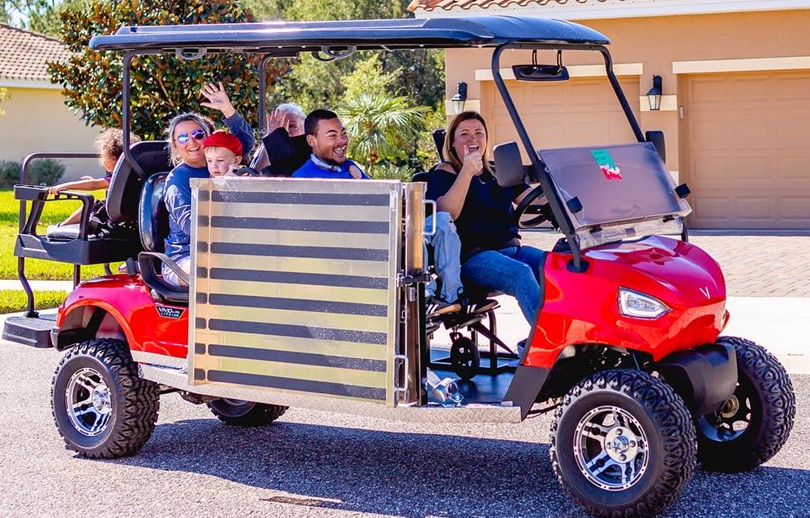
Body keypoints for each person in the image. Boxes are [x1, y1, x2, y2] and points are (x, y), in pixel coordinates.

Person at [426, 111, 543, 339]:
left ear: (486, 139)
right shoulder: (444, 173)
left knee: (556, 267)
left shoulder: (498, 172)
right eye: (464, 134)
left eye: (478, 133)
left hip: (512, 250)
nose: (472, 139)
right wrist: (467, 171)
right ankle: (548, 344)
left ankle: (582, 339)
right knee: (521, 274)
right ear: (452, 142)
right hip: (473, 258)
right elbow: (445, 213)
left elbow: (533, 201)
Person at [162, 82, 255, 287]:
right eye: (183, 137)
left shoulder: (222, 164)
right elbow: (192, 227)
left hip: (226, 247)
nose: (192, 142)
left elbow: (245, 143)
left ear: (208, 138)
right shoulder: (177, 181)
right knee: (218, 268)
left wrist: (227, 109)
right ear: (175, 146)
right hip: (185, 257)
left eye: (198, 135)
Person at [48, 128, 142, 227]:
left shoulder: (119, 175)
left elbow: (94, 185)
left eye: (103, 156)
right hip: (132, 210)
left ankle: (61, 227)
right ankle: (62, 226)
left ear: (113, 158)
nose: (101, 160)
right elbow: (118, 189)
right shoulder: (133, 173)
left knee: (91, 205)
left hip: (116, 212)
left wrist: (65, 185)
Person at [292, 109, 368, 179]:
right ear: (311, 141)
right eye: (332, 135)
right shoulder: (303, 178)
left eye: (344, 133)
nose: (342, 140)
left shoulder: (350, 167)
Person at [250, 103, 311, 176]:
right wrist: (271, 138)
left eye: (291, 126)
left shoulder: (314, 153)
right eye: (280, 127)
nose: (285, 131)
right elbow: (254, 178)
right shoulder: (262, 150)